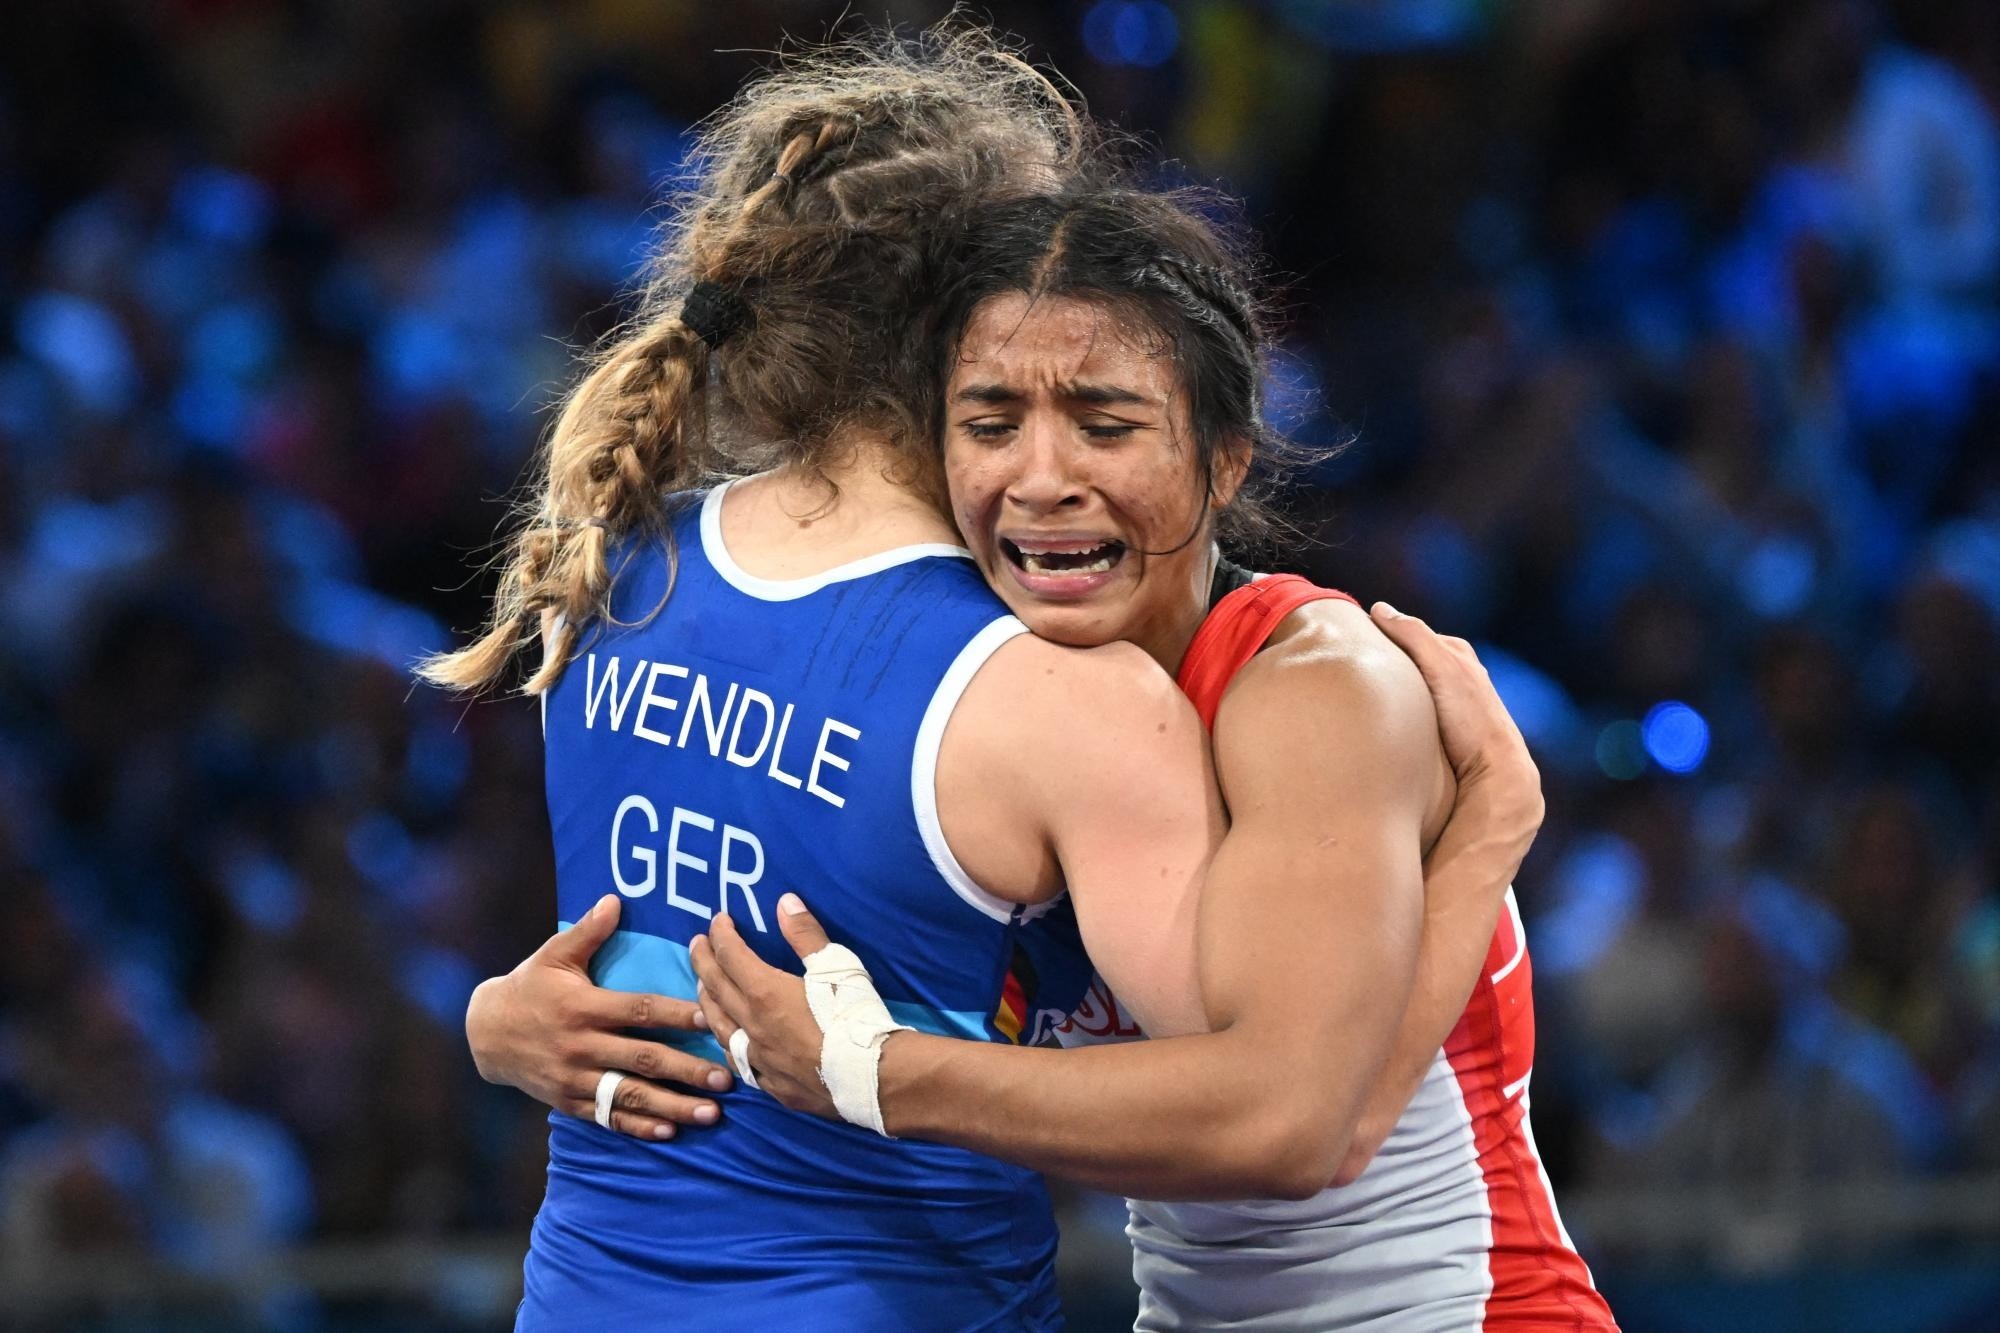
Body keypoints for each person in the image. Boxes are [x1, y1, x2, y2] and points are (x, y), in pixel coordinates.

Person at [427, 28, 1516, 1329]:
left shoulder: (615, 559)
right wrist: (1485, 843)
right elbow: (1289, 1120)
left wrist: (494, 1020)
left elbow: (643, 933)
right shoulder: (1056, 698)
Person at [681, 178, 1619, 1329]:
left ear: (1224, 460)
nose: (1040, 477)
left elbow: (1295, 1127)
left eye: (1104, 424)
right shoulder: (984, 712)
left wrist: (877, 1072)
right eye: (989, 425)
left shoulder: (1314, 687)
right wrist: (518, 1021)